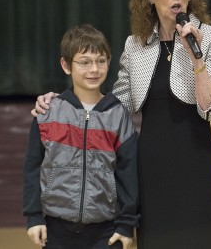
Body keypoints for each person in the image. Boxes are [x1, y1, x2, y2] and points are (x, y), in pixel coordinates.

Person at [33, 0, 211, 248]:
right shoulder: (137, 45)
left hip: (196, 163)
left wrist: (196, 57)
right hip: (150, 167)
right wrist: (62, 102)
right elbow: (116, 107)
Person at [23, 24, 140, 249]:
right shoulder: (48, 113)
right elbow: (32, 168)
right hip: (56, 229)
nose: (94, 69)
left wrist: (126, 225)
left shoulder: (118, 115)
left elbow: (128, 174)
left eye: (101, 60)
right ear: (66, 65)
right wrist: (34, 217)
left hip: (106, 231)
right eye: (84, 62)